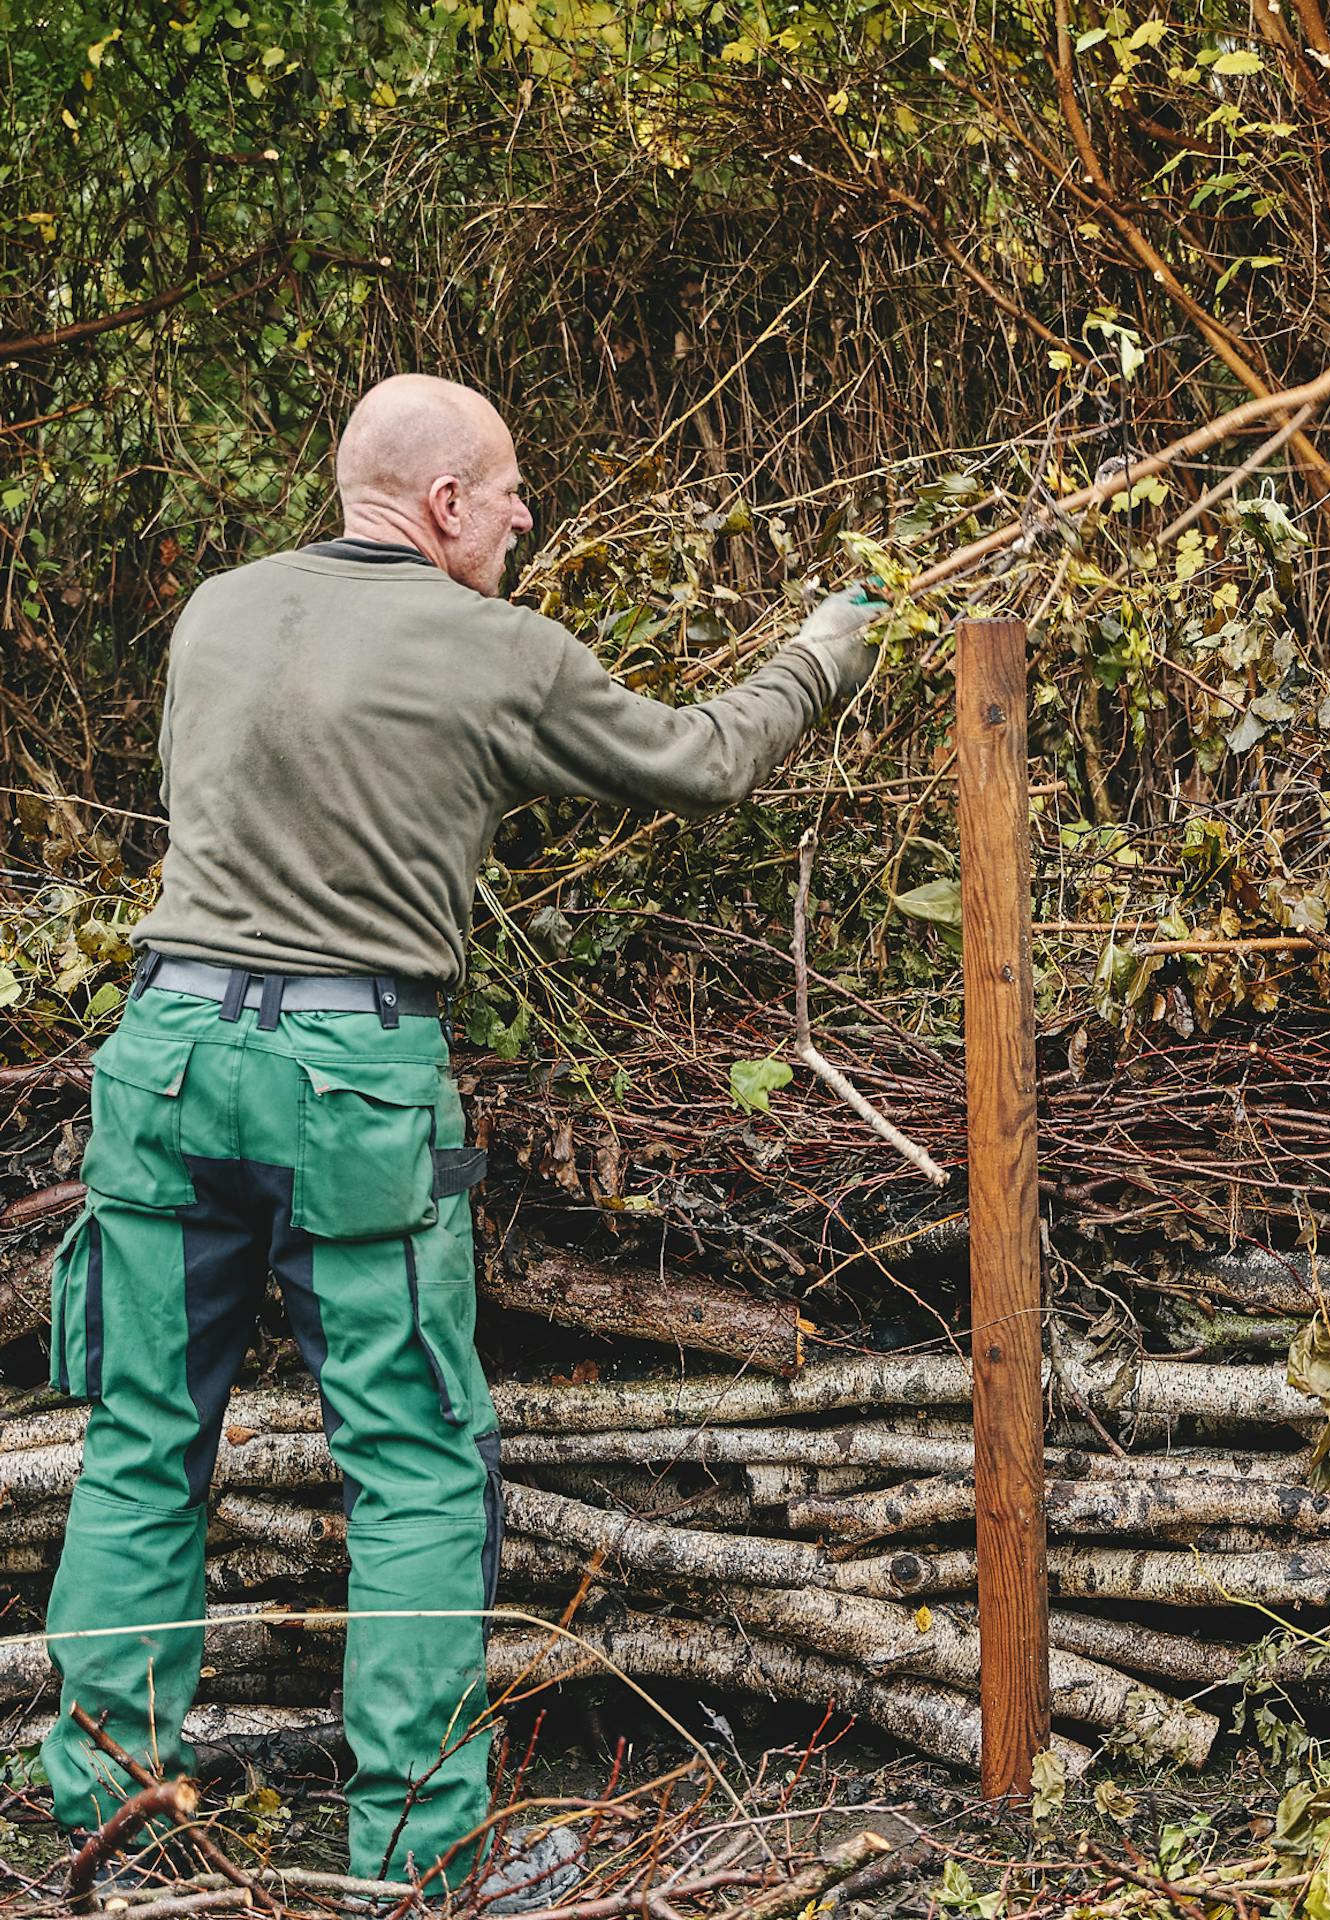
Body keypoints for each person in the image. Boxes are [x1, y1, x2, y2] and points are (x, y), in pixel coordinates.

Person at [41, 374, 882, 1902]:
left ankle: (110, 1816)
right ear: (440, 505)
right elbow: (702, 765)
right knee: (418, 1466)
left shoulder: (218, 612)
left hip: (164, 1056)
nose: (522, 516)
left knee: (145, 1435)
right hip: (348, 1077)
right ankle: (426, 1867)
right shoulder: (495, 647)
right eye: (505, 493)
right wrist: (820, 659)